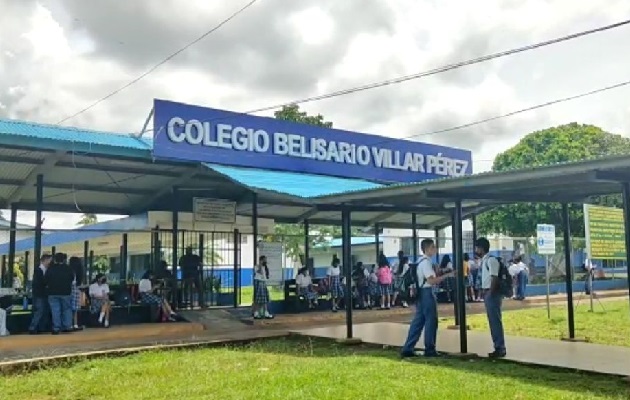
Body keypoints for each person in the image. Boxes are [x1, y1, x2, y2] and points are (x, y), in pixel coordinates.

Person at [401, 238, 454, 358]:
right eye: (433, 247)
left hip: (421, 293)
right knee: (431, 321)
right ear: (428, 249)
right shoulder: (426, 263)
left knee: (418, 322)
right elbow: (431, 281)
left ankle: (408, 347)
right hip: (427, 293)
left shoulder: (420, 261)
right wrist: (447, 275)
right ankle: (430, 348)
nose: (435, 249)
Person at [476, 237, 506, 358]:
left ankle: (500, 347)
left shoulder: (491, 260)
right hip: (488, 292)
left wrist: (490, 293)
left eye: (477, 248)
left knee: (495, 321)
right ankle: (498, 346)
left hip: (492, 293)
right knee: (493, 321)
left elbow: (494, 278)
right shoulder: (485, 260)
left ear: (481, 248)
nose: (475, 250)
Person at [45, 253, 74, 335]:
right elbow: (72, 278)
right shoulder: (68, 268)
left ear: (55, 260)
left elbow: (46, 279)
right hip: (66, 292)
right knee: (67, 309)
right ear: (64, 260)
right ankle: (67, 326)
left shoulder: (51, 268)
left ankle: (56, 328)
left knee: (55, 310)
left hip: (52, 292)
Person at [28, 254, 52, 334]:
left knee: (44, 311)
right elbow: (38, 283)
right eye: (49, 260)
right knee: (39, 310)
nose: (50, 262)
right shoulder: (38, 270)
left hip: (43, 294)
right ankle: (33, 327)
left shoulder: (44, 270)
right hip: (39, 294)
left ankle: (40, 327)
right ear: (45, 260)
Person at [253, 255, 273, 319]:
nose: (265, 261)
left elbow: (266, 276)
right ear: (261, 260)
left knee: (264, 299)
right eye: (264, 260)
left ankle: (265, 312)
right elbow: (260, 272)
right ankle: (256, 313)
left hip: (263, 282)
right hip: (259, 282)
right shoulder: (256, 267)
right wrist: (261, 265)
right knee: (258, 299)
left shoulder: (266, 267)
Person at [68, 256, 84, 331]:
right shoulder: (79, 272)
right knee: (75, 309)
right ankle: (75, 324)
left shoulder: (70, 271)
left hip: (70, 290)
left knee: (69, 308)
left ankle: (70, 324)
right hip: (76, 291)